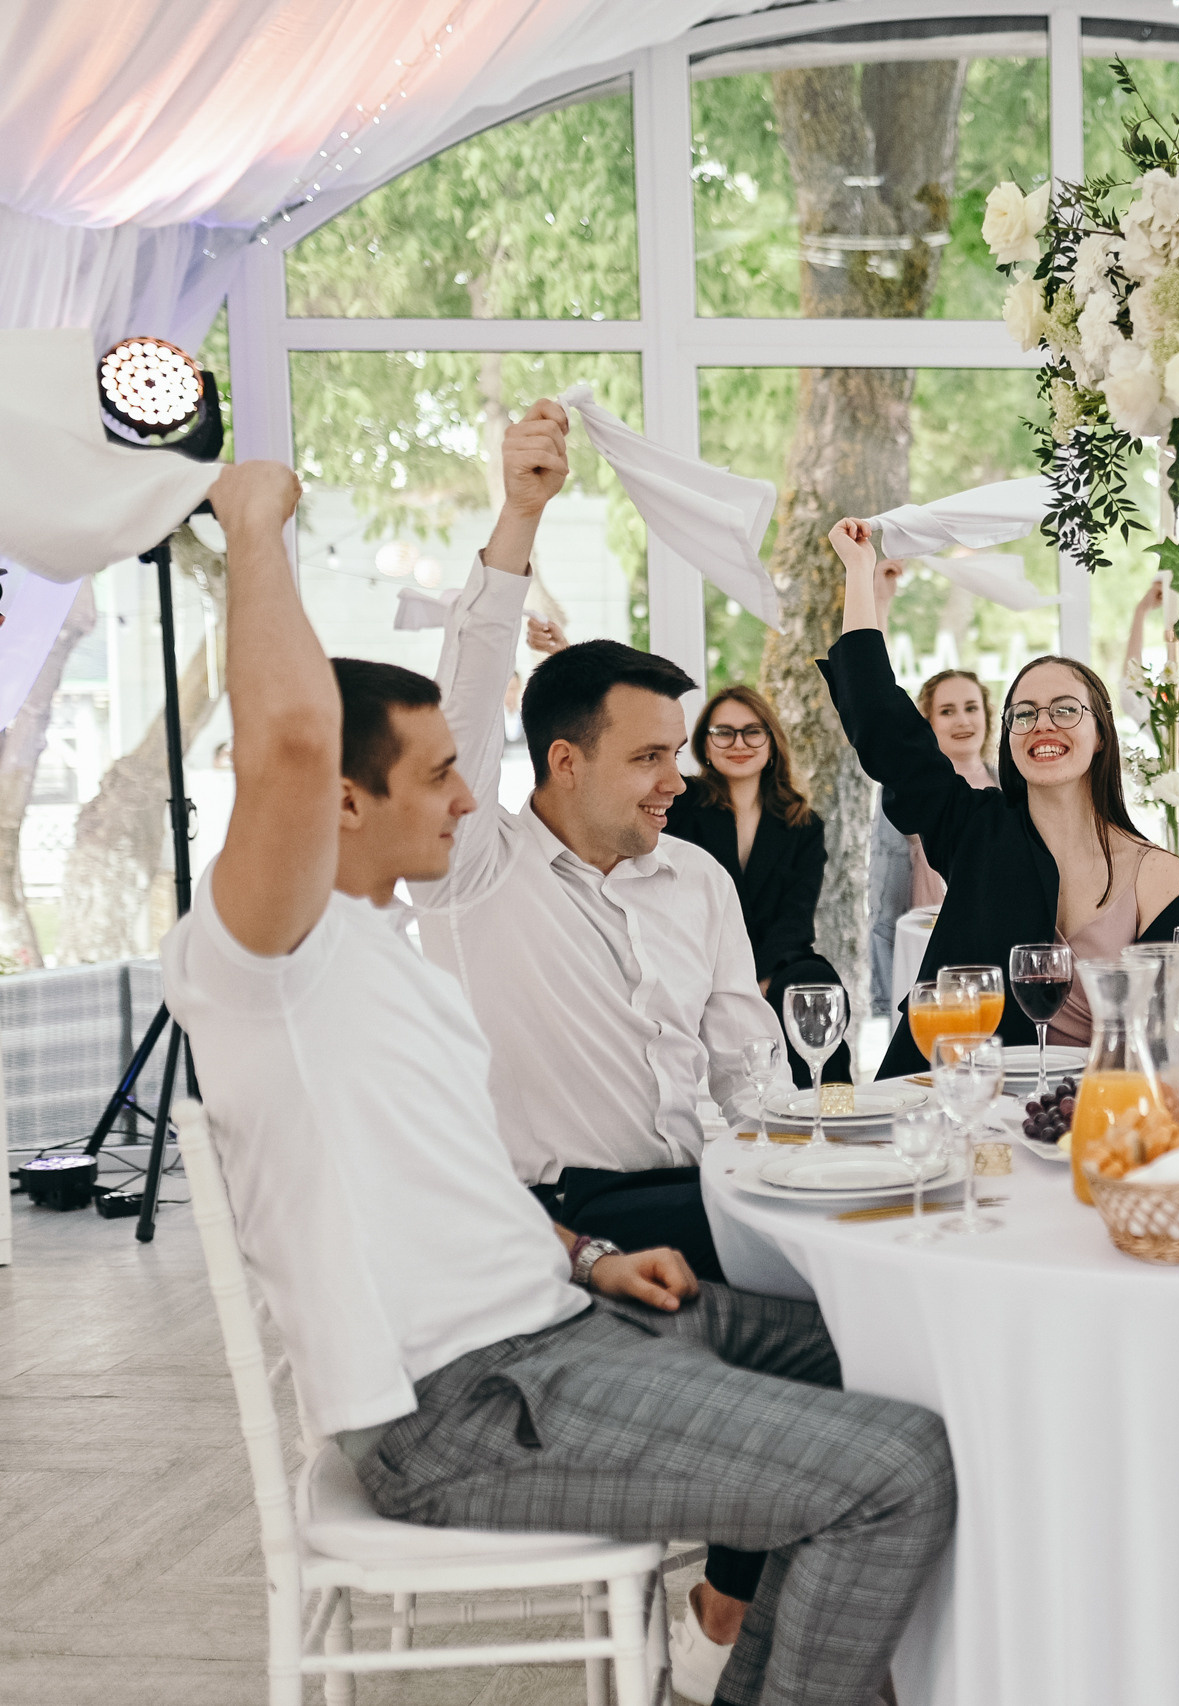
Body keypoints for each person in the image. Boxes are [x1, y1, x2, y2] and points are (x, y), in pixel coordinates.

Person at [160, 455, 953, 1706]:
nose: (468, 794)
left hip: (564, 1315)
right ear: (341, 801)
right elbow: (294, 742)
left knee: (883, 1351)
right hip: (467, 1405)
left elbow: (441, 1176)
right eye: (439, 775)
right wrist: (251, 525)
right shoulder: (268, 963)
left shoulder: (382, 949)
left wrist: (580, 1257)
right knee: (898, 1466)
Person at [408, 400, 780, 1289]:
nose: (677, 780)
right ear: (564, 761)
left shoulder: (698, 878)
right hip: (562, 1214)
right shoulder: (472, 870)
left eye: (676, 754)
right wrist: (521, 512)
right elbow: (466, 697)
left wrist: (799, 1164)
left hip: (698, 1192)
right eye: (649, 757)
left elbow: (746, 1071)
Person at [822, 518, 1179, 1077]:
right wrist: (859, 574)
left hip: (1088, 1111)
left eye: (1065, 710)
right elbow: (881, 724)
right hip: (948, 1093)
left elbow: (1177, 1036)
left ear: (1101, 733)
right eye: (1023, 714)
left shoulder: (1159, 874)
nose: (1042, 724)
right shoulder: (973, 829)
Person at [664, 685, 852, 1087]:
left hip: (775, 959)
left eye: (752, 732)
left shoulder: (803, 824)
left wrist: (756, 979)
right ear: (705, 744)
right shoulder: (680, 806)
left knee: (813, 987)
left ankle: (830, 1106)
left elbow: (796, 918)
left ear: (771, 743)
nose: (739, 744)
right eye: (724, 732)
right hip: (698, 954)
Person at [865, 667, 996, 1015]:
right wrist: (887, 991)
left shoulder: (1013, 789)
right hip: (930, 961)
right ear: (929, 723)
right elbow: (885, 899)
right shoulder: (907, 794)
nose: (962, 720)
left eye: (971, 707)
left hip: (998, 961)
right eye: (947, 711)